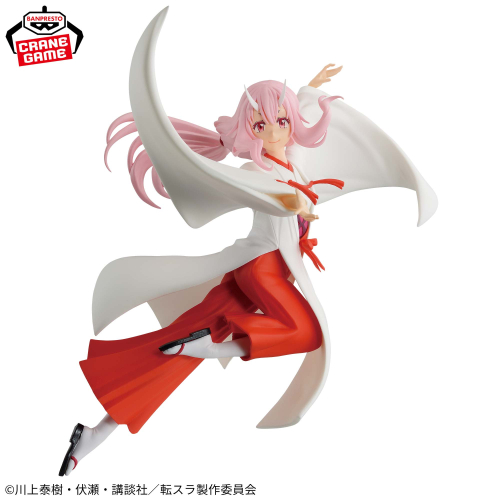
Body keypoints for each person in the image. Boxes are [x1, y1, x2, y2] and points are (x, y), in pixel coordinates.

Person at [59, 7, 437, 476]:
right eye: (261, 125)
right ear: (248, 131)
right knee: (307, 332)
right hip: (263, 270)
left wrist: (312, 86)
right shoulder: (256, 170)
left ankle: (93, 435)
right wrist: (295, 204)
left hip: (252, 274)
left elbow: (299, 112)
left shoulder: (291, 159)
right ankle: (207, 347)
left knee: (173, 351)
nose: (275, 131)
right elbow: (271, 195)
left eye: (282, 120)